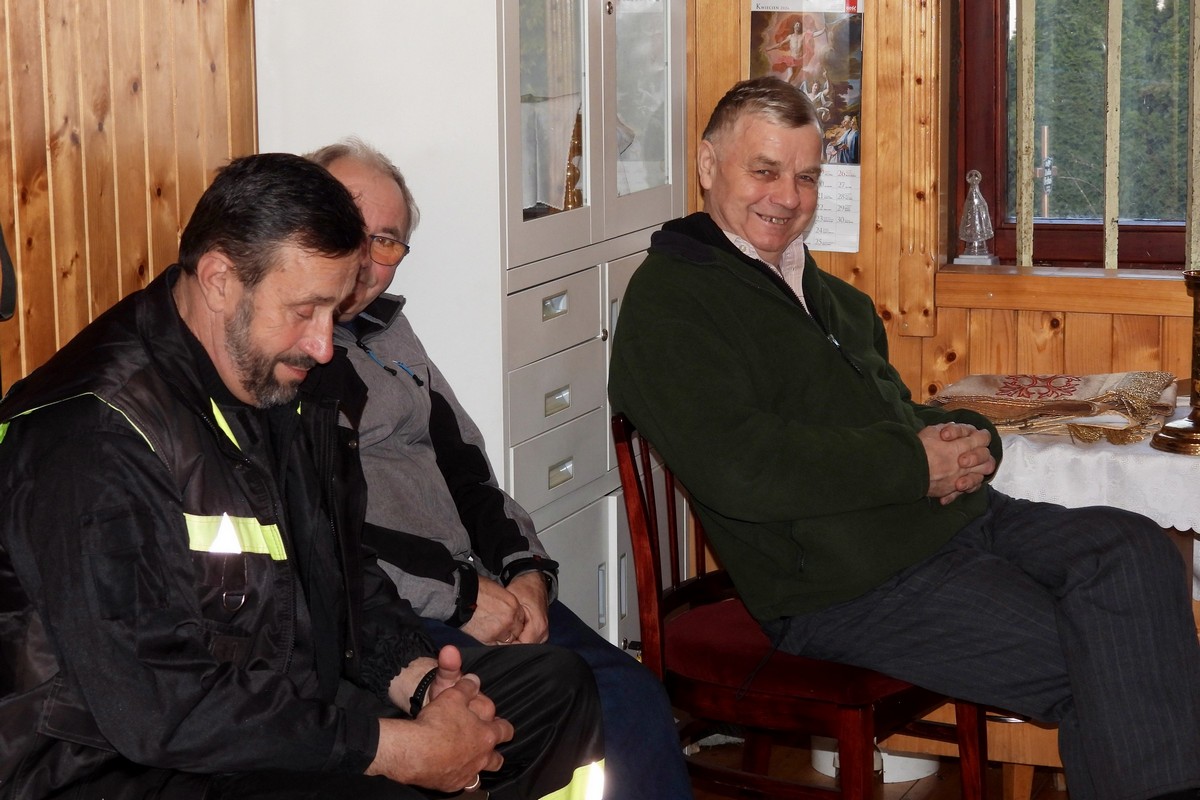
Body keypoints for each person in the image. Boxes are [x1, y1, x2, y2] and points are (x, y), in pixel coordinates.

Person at [608, 76, 1200, 800]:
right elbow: (742, 467)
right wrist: (915, 466)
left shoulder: (824, 295)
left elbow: (891, 414)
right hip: (843, 585)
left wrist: (970, 440)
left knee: (1136, 553)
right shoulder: (672, 302)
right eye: (764, 171)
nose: (787, 196)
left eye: (806, 177)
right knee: (1106, 658)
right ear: (708, 165)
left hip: (946, 525)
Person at [0, 153, 603, 800]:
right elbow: (160, 706)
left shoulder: (270, 381)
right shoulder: (94, 436)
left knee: (553, 693)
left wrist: (425, 684)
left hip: (276, 711)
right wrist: (394, 749)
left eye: (333, 311)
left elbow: (340, 572)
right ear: (219, 280)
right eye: (306, 310)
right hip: (125, 765)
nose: (323, 345)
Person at [306, 138, 693, 800]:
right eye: (349, 228)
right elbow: (324, 523)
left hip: (478, 586)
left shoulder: (390, 333)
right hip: (392, 613)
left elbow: (467, 469)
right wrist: (460, 597)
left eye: (388, 241)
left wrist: (527, 573)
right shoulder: (291, 352)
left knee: (633, 697)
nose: (367, 256)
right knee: (546, 710)